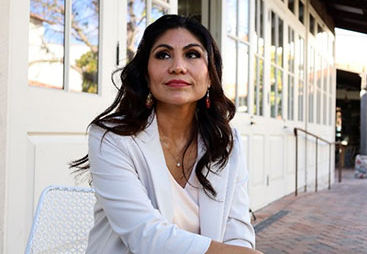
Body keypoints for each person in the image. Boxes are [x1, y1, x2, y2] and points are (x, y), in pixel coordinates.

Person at [71, 14, 260, 254]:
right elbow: (145, 235)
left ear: (211, 75)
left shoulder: (227, 142)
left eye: (192, 54)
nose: (178, 67)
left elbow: (238, 230)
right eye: (163, 54)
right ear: (145, 72)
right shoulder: (111, 137)